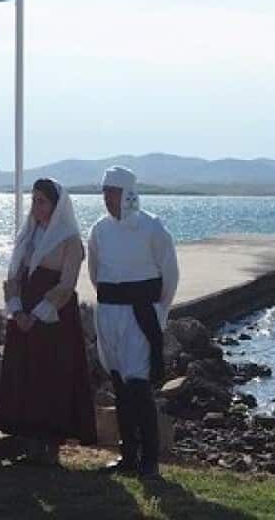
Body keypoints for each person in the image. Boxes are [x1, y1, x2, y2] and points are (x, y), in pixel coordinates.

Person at [0, 178, 98, 464]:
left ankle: (50, 442)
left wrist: (37, 314)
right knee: (23, 373)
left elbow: (66, 284)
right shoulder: (28, 234)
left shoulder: (69, 239)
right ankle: (25, 438)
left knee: (50, 374)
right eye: (34, 200)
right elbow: (14, 275)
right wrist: (16, 309)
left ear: (56, 205)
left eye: (42, 201)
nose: (36, 206)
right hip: (24, 311)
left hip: (54, 317)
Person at [88, 166, 179, 478]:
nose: (108, 199)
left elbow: (169, 275)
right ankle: (128, 454)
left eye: (113, 192)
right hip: (110, 313)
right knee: (119, 385)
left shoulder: (153, 228)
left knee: (138, 384)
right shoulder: (99, 230)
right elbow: (95, 273)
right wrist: (110, 306)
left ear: (128, 194)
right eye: (105, 193)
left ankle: (149, 459)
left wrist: (157, 313)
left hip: (140, 314)